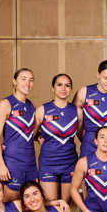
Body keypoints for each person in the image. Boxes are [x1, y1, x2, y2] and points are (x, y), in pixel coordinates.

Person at [34, 74, 82, 203]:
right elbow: (31, 134)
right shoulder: (42, 110)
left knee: (65, 206)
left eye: (67, 85)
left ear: (71, 89)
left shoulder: (77, 111)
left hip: (70, 163)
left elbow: (82, 134)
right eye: (59, 84)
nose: (63, 88)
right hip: (48, 163)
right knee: (52, 205)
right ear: (53, 88)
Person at [0, 68, 37, 201]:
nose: (27, 83)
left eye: (31, 80)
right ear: (14, 82)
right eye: (23, 79)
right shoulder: (5, 104)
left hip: (30, 163)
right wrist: (1, 165)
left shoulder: (31, 106)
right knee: (11, 207)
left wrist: (38, 136)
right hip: (12, 163)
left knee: (29, 206)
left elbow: (26, 133)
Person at [72, 60, 107, 158]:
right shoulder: (84, 92)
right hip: (89, 143)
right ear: (98, 74)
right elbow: (72, 118)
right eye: (105, 78)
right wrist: (81, 134)